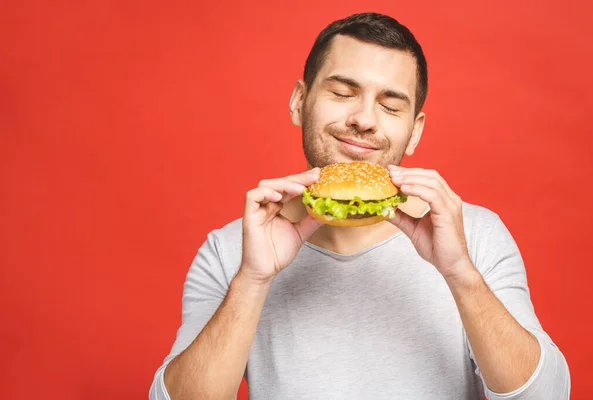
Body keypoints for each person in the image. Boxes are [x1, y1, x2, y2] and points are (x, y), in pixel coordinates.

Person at [149, 12, 570, 400]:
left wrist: (459, 273)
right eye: (342, 92)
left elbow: (548, 396)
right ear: (300, 101)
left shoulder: (473, 235)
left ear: (414, 131)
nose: (365, 120)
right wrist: (253, 280)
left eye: (390, 106)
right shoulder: (232, 250)